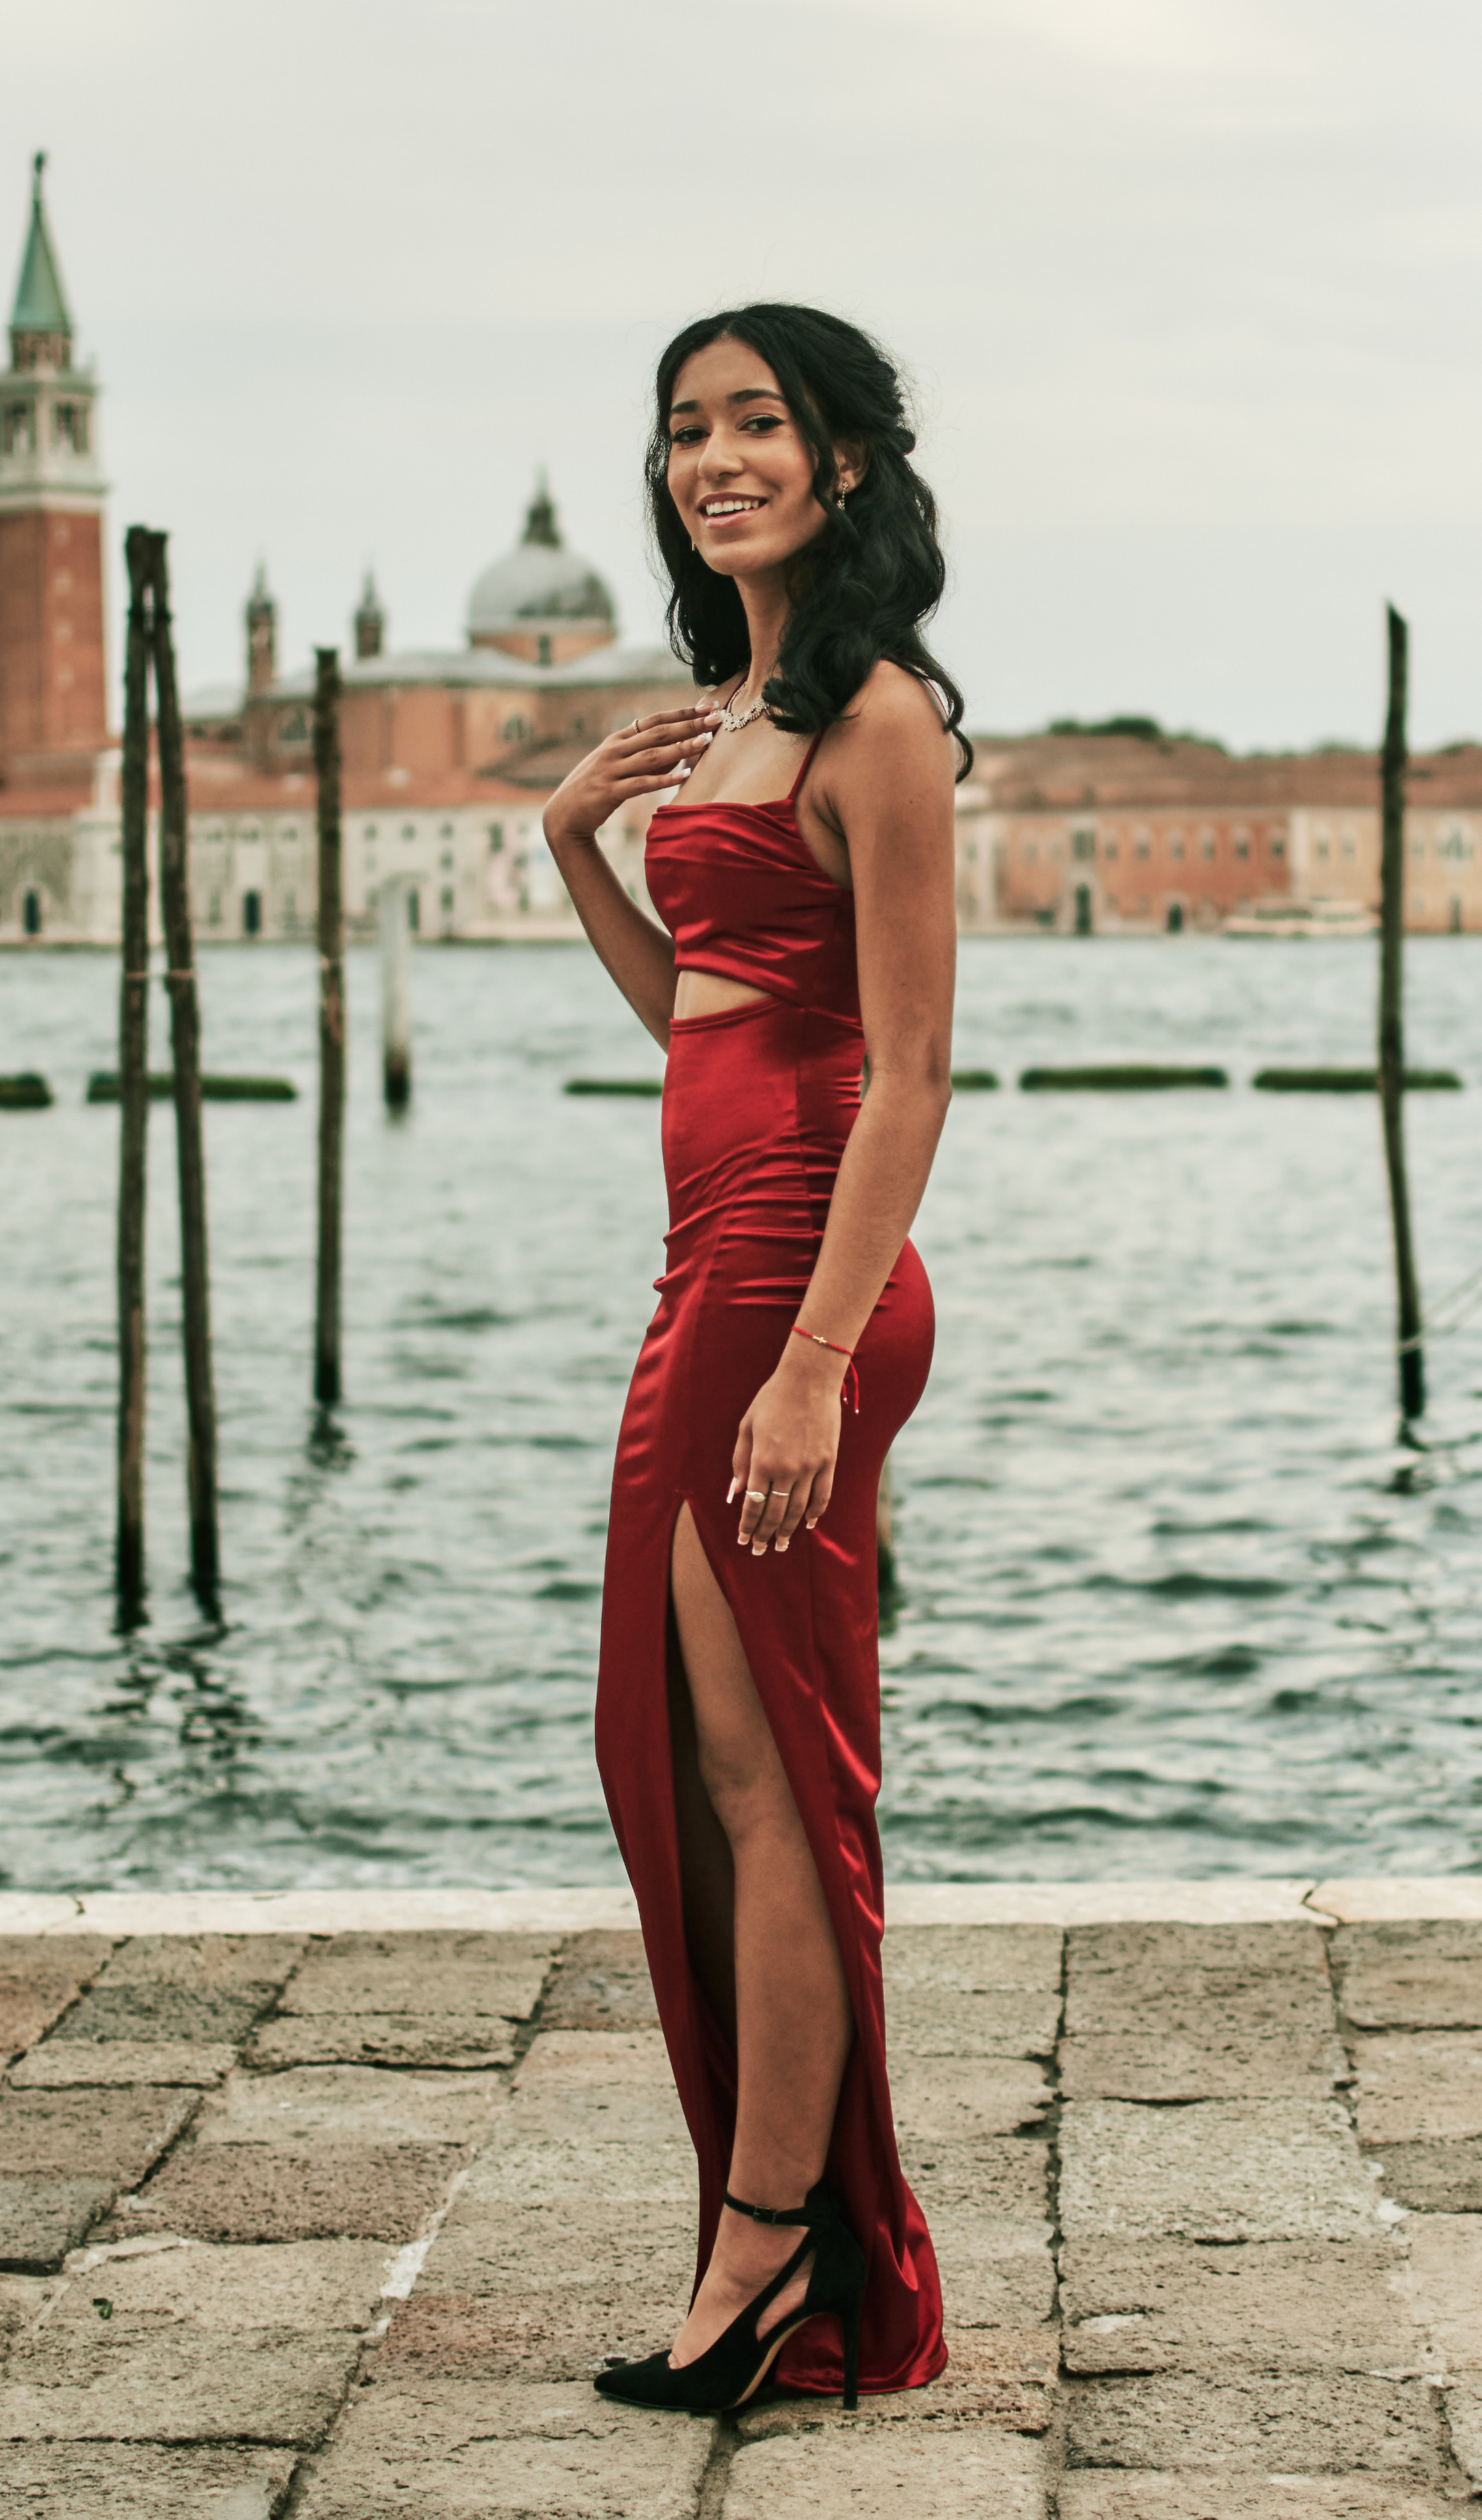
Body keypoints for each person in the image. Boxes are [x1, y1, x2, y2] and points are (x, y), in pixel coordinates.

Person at [541, 303, 968, 2413]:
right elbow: (706, 1027)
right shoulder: (729, 714)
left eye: (761, 426)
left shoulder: (880, 718)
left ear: (848, 464)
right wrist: (570, 857)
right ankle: (771, 2230)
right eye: (689, 428)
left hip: (798, 1286)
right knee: (703, 1769)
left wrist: (809, 1367)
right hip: (707, 1273)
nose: (718, 458)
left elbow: (904, 1075)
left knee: (777, 1773)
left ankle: (779, 2251)